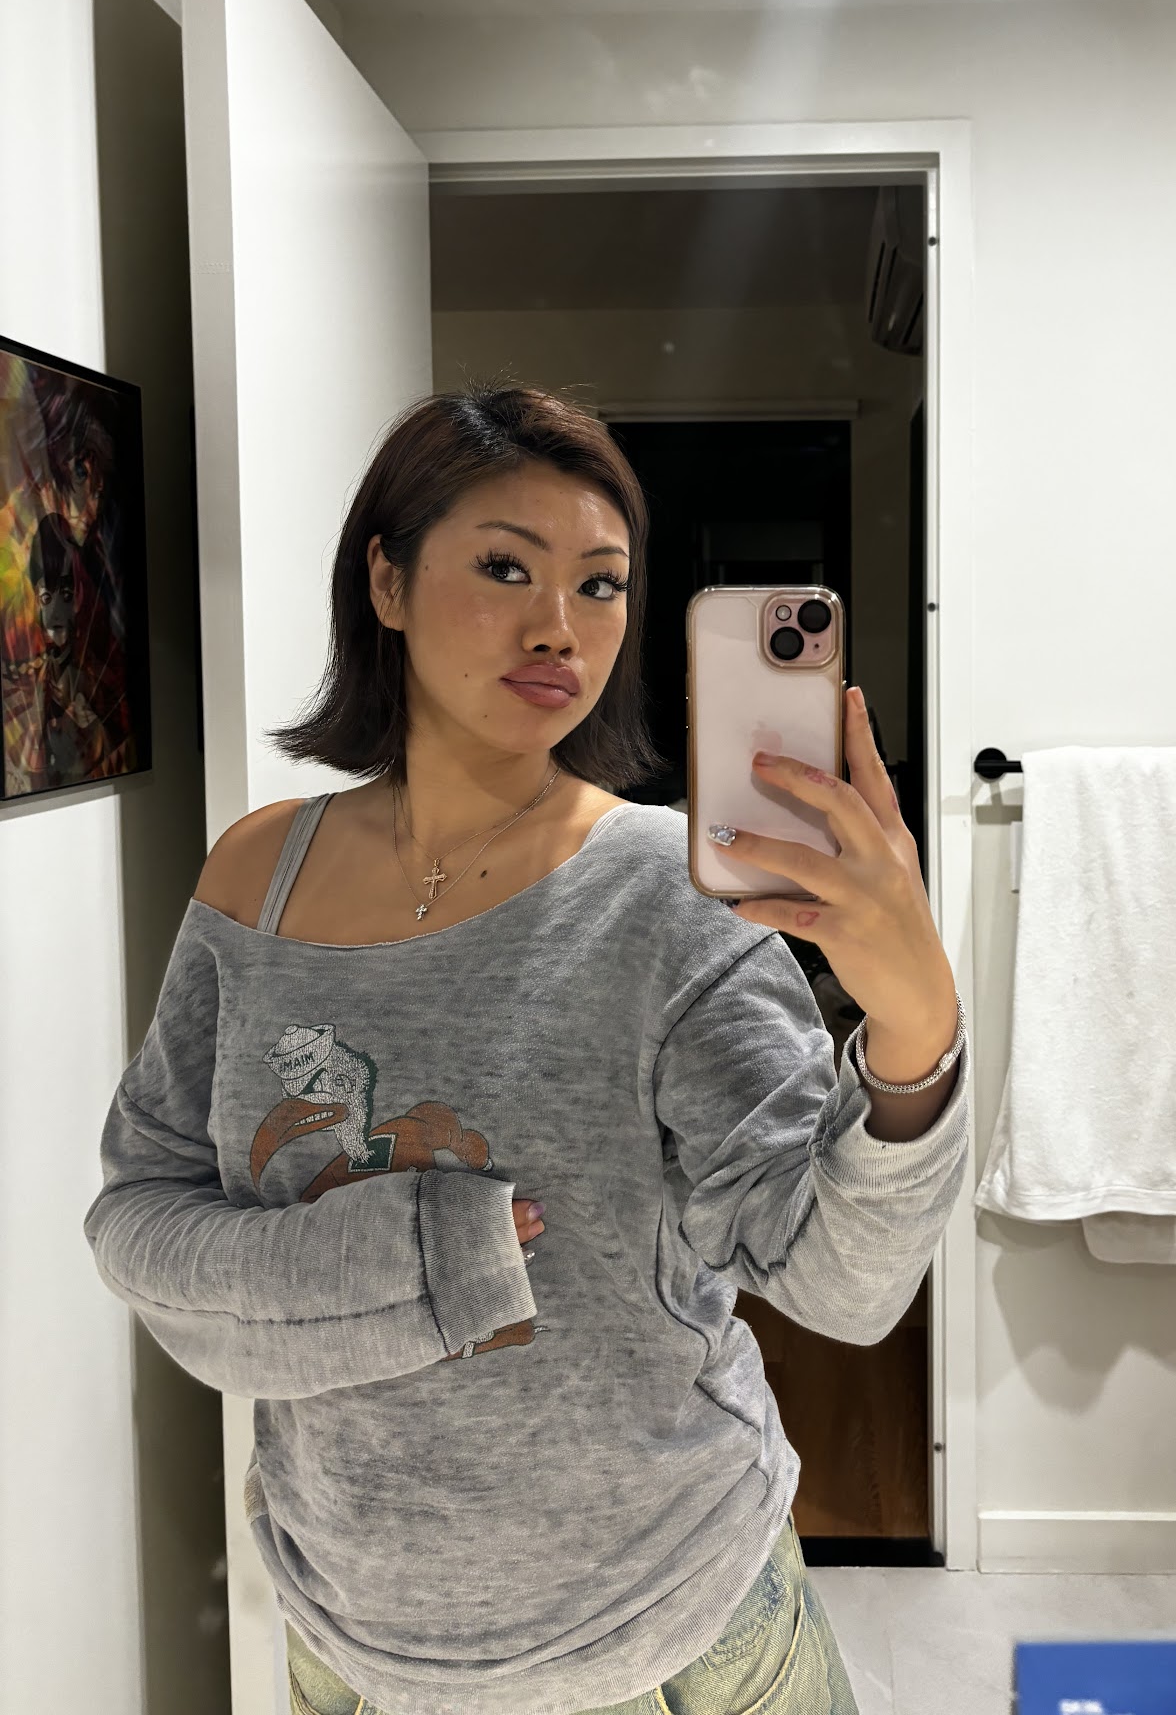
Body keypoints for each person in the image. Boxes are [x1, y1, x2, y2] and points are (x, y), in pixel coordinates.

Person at [84, 384, 970, 1715]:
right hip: (347, 1638)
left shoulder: (666, 898)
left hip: (669, 1631)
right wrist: (432, 1255)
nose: (560, 624)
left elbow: (838, 1285)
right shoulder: (256, 878)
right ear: (386, 582)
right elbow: (139, 1218)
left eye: (601, 585)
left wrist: (913, 1033)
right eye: (506, 567)